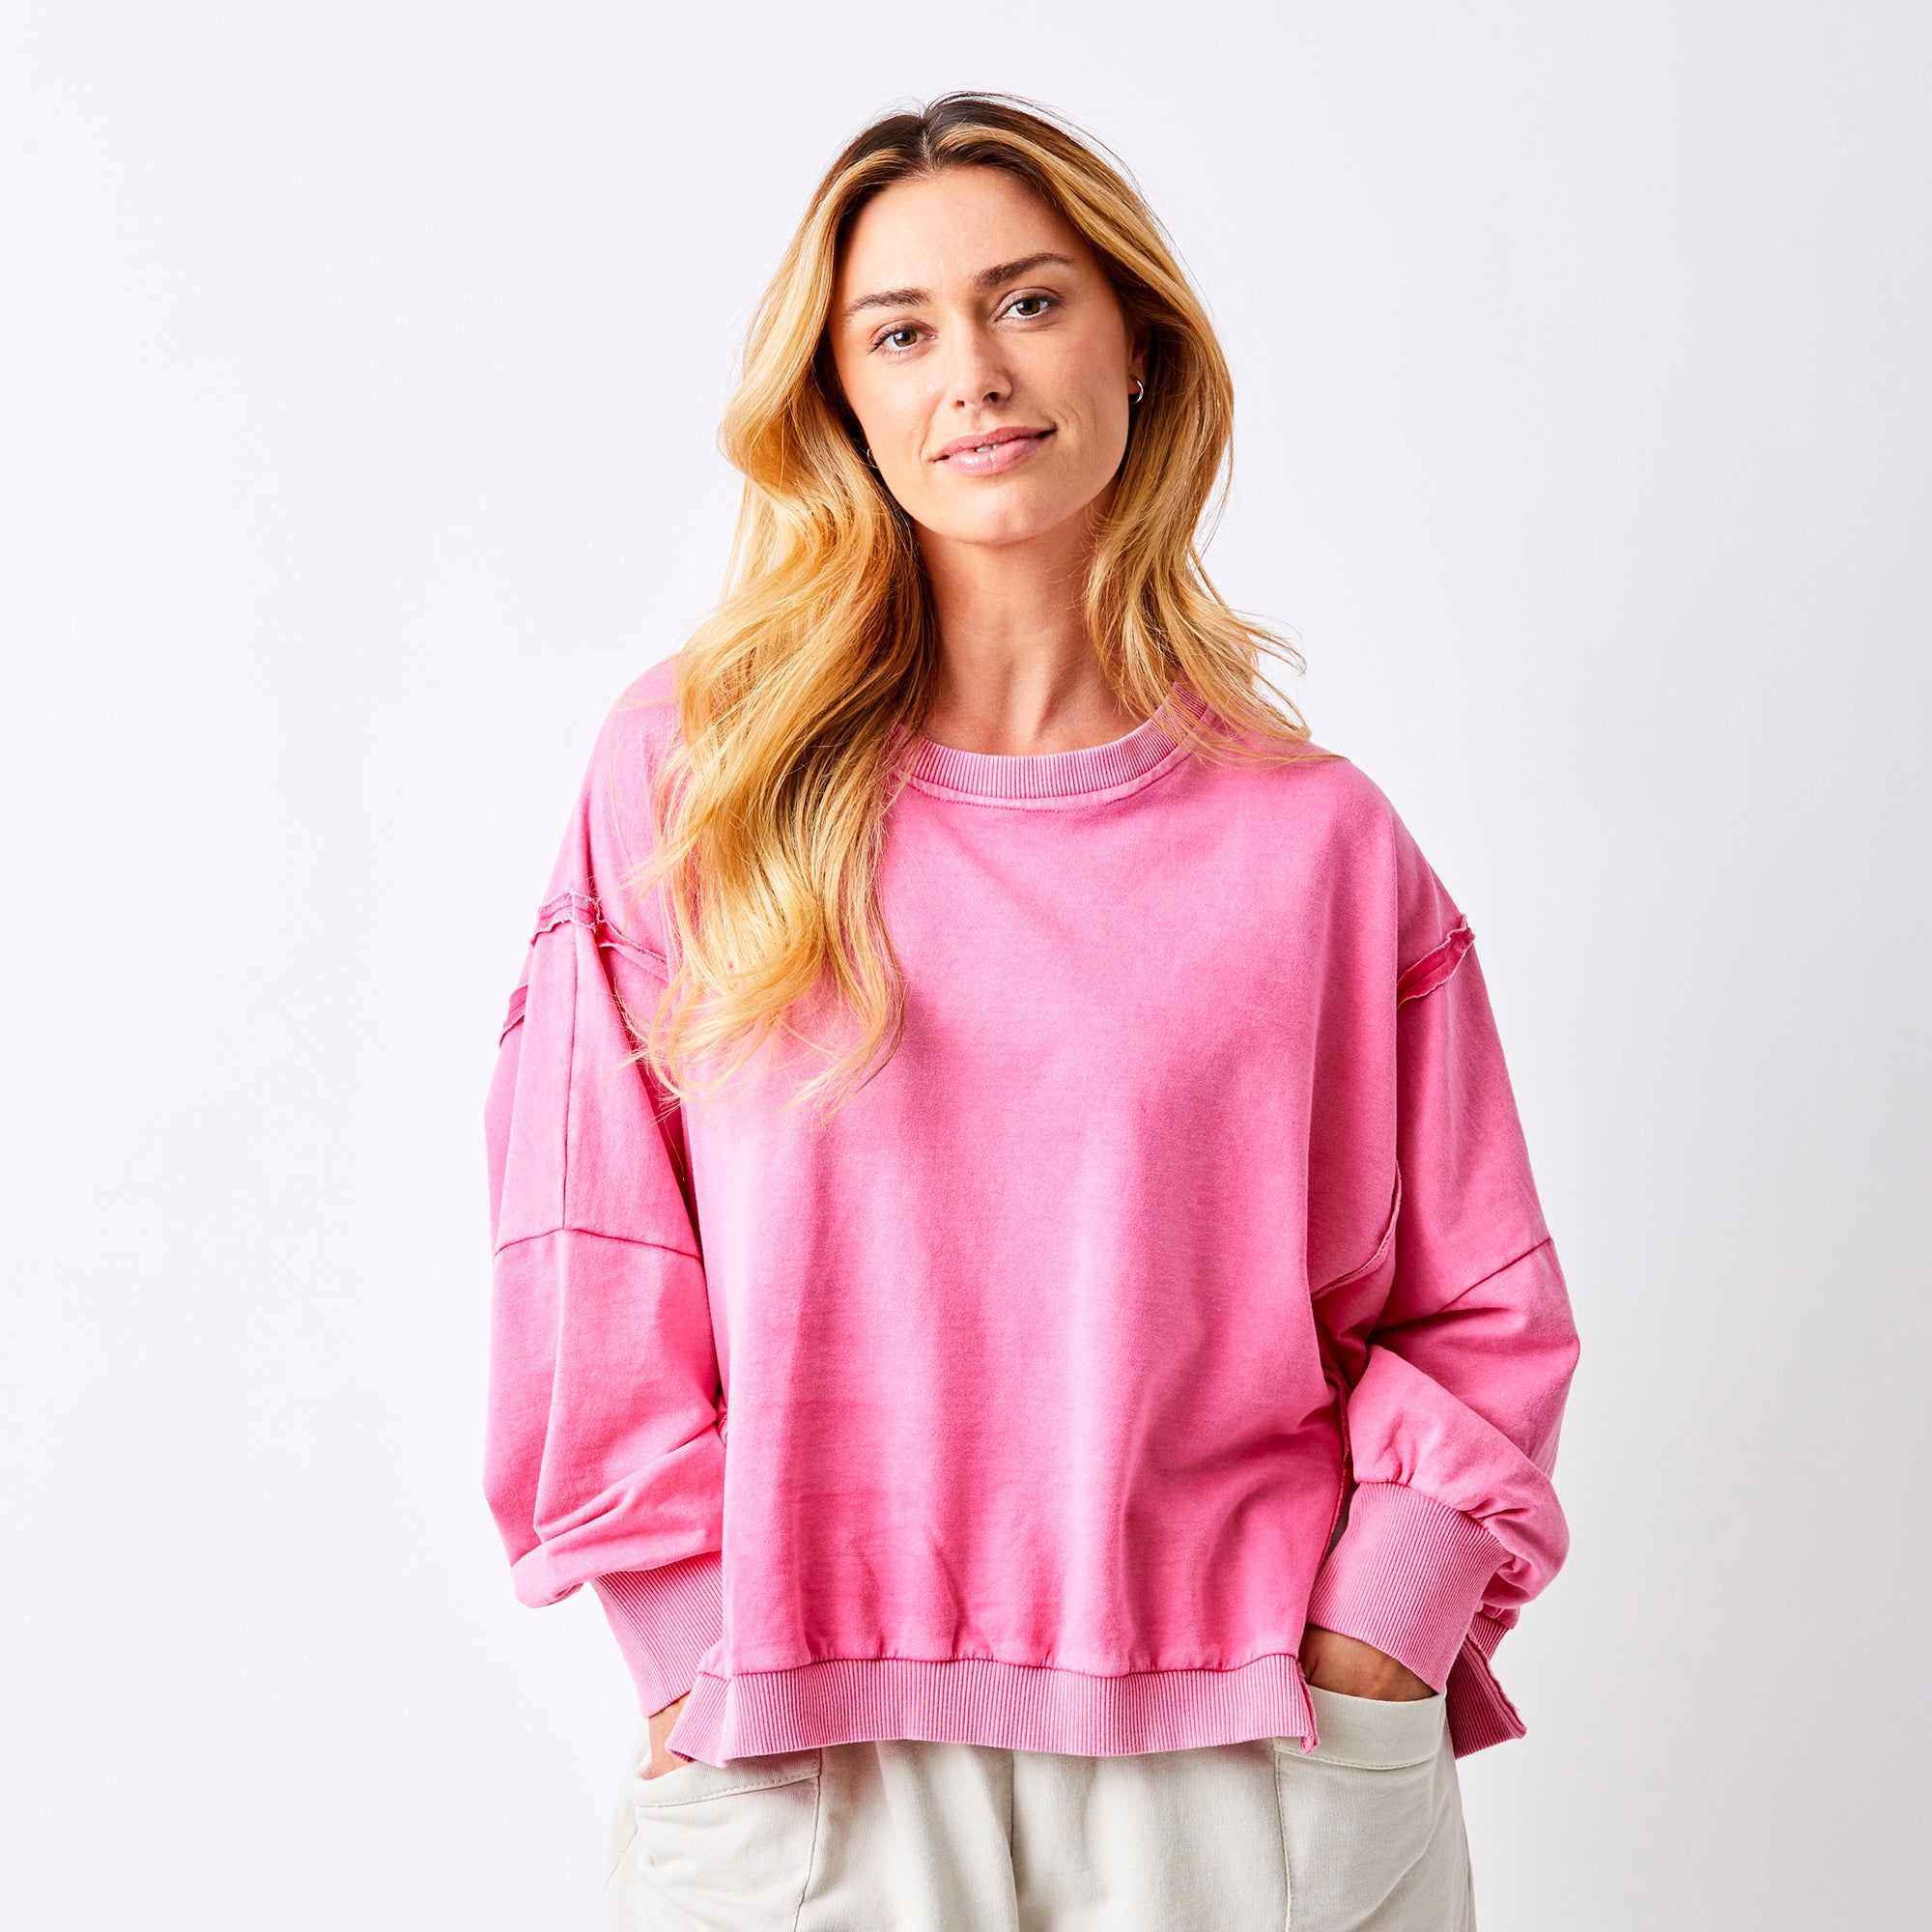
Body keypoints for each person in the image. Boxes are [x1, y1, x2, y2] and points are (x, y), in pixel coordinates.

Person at [482, 91, 1581, 1932]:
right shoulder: (695, 778)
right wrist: (684, 1645)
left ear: (1135, 344)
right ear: (841, 401)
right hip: (802, 1735)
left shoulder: (1315, 842)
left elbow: (1485, 1307)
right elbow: (585, 1244)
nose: (974, 374)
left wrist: (1377, 1640)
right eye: (900, 333)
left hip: (1250, 1745)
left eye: (1028, 301)